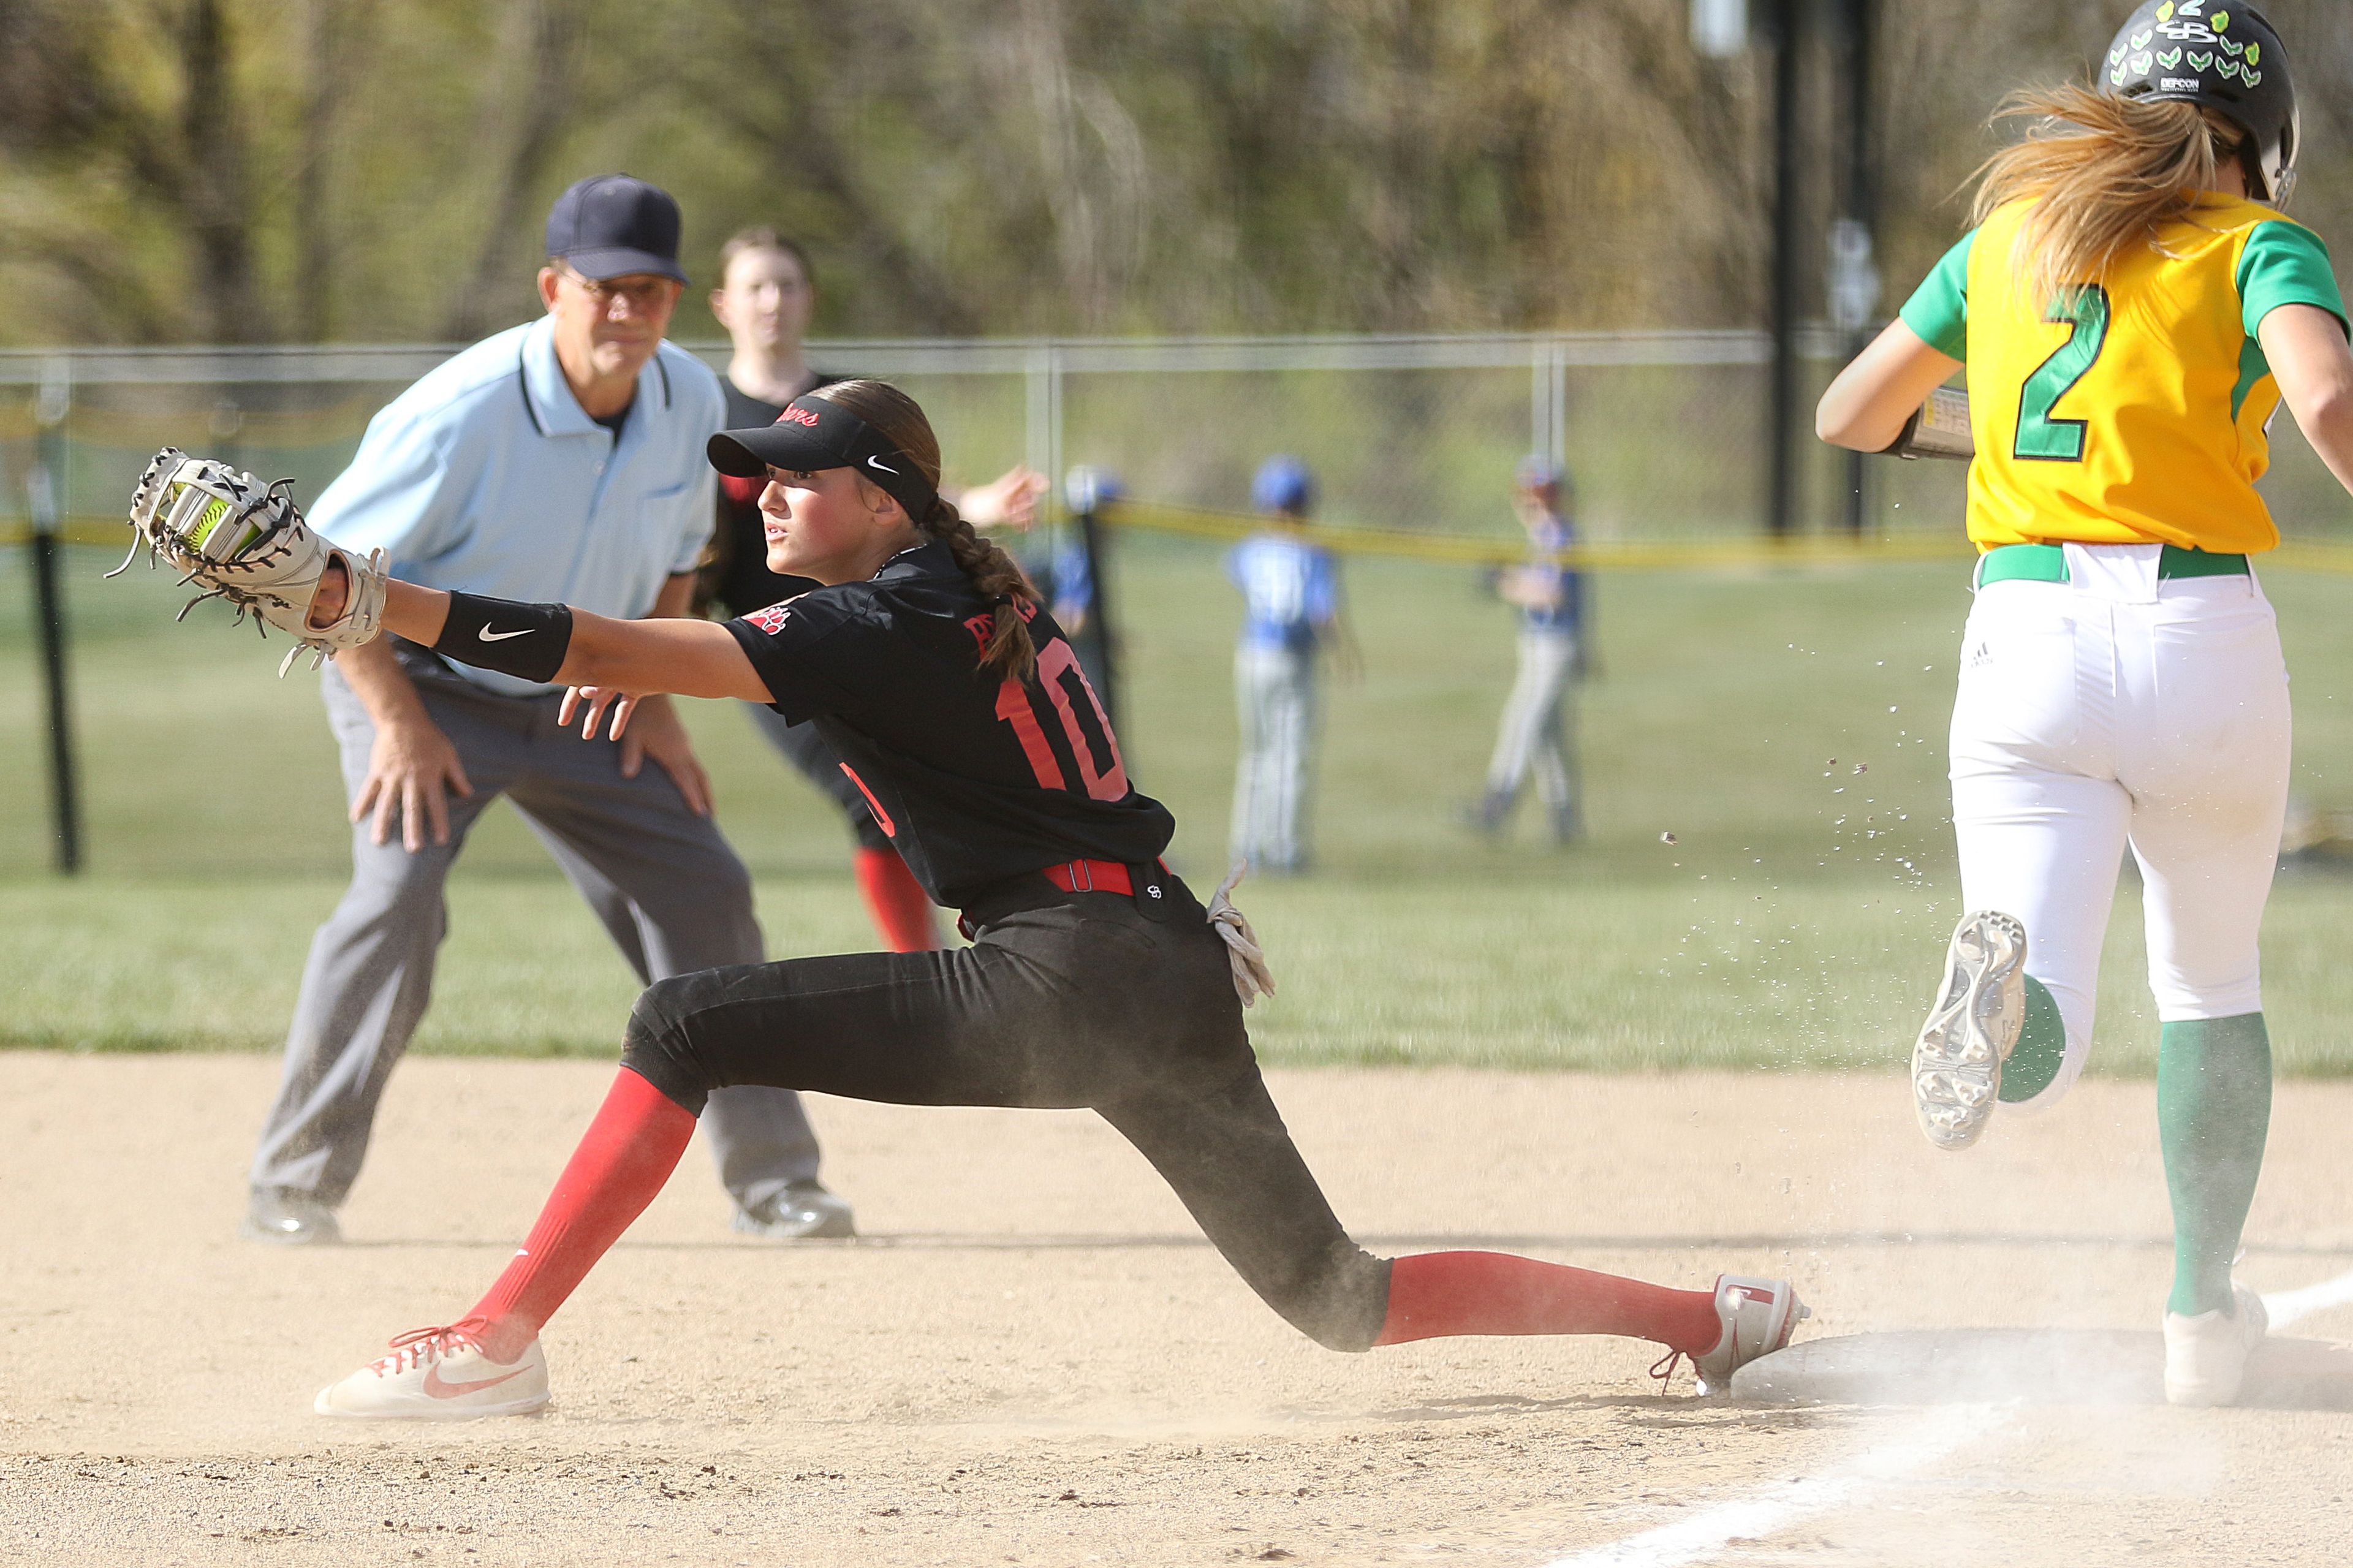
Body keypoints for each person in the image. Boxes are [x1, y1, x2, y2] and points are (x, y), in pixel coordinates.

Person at [252, 378, 1805, 1418]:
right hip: (1154, 960)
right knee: (1339, 1295)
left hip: (1068, 976)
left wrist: (368, 600)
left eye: (798, 480)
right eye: (760, 480)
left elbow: (605, 650)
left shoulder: (880, 614)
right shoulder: (958, 590)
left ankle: (495, 1342)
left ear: (880, 494)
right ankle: (1698, 1313)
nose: (768, 501)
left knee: (685, 1018)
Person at [1816, 2, 2353, 1407]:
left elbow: (1850, 417)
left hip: (2027, 627)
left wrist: (1989, 434)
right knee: (2207, 980)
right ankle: (2196, 1322)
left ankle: (2007, 1009)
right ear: (2268, 141)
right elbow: (2328, 401)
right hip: (2198, 633)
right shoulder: (2258, 245)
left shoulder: (2011, 242)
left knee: (2036, 1029)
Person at [244, 175, 854, 1248]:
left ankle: (778, 1181)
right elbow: (319, 577)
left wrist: (656, 699)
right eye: (603, 288)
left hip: (590, 689)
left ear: (675, 298)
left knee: (704, 887)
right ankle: (293, 1183)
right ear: (552, 288)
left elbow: (678, 558)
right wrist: (396, 718)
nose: (627, 311)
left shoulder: (687, 399)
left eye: (650, 291)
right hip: (420, 686)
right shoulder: (463, 411)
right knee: (397, 901)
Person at [701, 228, 1046, 953]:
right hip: (771, 644)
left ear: (810, 299)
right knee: (868, 798)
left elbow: (903, 491)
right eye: (756, 286)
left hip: (871, 625)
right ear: (723, 304)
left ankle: (1002, 952)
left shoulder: (840, 399)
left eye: (787, 284)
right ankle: (921, 966)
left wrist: (976, 504)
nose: (773, 301)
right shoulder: (703, 413)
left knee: (950, 777)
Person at [1227, 456, 1352, 875]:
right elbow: (1322, 611)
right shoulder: (1313, 552)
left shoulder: (1251, 546)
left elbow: (1239, 575)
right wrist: (1343, 652)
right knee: (1289, 755)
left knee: (1256, 754)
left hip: (1253, 654)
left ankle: (1246, 847)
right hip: (1295, 657)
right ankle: (1284, 849)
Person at [1468, 458, 1588, 843]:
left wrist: (1504, 583)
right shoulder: (1542, 538)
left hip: (1554, 645)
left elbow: (1553, 594)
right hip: (1537, 644)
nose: (1534, 504)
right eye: (1529, 495)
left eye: (1544, 495)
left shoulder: (1560, 537)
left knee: (1523, 720)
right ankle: (1564, 818)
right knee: (1548, 737)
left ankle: (1497, 800)